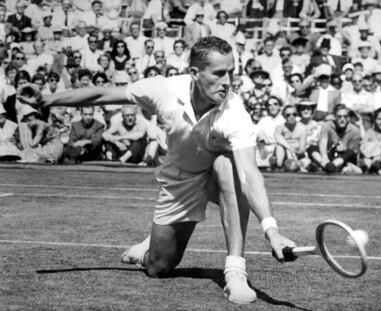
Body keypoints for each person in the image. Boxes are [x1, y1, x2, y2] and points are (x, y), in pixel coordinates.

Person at [18, 36, 295, 304]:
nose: (227, 82)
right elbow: (104, 93)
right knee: (158, 267)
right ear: (195, 73)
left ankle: (235, 270)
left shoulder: (235, 112)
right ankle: (151, 245)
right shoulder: (163, 89)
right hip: (180, 180)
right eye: (219, 73)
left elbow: (249, 174)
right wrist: (46, 100)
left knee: (228, 165)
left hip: (216, 176)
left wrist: (271, 231)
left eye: (231, 73)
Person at [320, 104, 361, 174]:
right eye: (339, 116)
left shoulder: (355, 131)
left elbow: (352, 152)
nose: (342, 119)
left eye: (345, 117)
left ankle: (332, 166)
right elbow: (323, 142)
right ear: (334, 117)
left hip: (346, 158)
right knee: (312, 148)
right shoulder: (327, 126)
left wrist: (344, 149)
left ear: (348, 118)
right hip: (329, 155)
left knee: (350, 152)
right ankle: (326, 165)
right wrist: (324, 156)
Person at [273, 105, 307, 172]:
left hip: (297, 155)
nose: (291, 117)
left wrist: (294, 153)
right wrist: (290, 148)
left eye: (294, 114)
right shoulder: (280, 128)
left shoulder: (302, 128)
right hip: (283, 154)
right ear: (284, 116)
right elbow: (278, 138)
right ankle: (279, 165)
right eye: (288, 115)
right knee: (279, 146)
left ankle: (292, 165)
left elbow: (302, 149)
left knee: (298, 164)